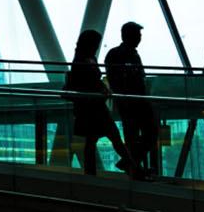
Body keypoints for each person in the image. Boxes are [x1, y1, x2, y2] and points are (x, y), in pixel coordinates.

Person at [64, 30, 131, 176]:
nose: (97, 46)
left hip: (91, 107)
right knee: (112, 136)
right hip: (94, 107)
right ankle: (132, 167)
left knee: (93, 139)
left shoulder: (81, 59)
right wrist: (102, 89)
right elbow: (89, 82)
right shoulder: (85, 60)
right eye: (96, 43)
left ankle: (91, 173)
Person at [105, 21, 155, 180]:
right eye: (138, 35)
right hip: (133, 102)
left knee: (134, 136)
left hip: (131, 102)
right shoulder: (124, 54)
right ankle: (133, 167)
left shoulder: (119, 54)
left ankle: (131, 164)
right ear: (129, 36)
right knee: (148, 133)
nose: (140, 38)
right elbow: (121, 80)